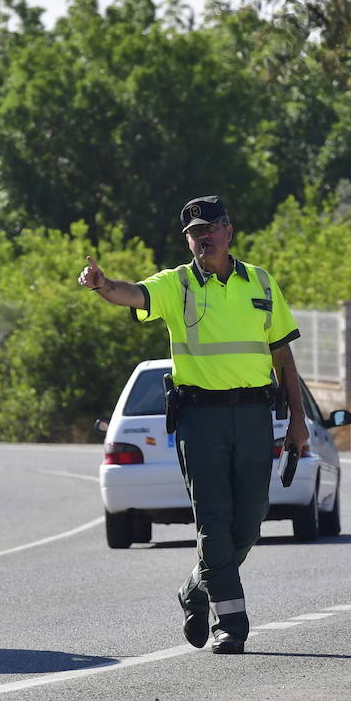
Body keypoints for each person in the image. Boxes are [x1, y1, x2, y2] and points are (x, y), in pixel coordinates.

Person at [78, 195, 309, 654]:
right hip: (200, 419)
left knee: (249, 522)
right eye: (193, 232)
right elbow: (133, 293)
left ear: (228, 230)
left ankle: (195, 590)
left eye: (209, 228)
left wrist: (298, 421)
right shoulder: (177, 284)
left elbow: (282, 355)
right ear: (187, 240)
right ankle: (232, 620)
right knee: (214, 520)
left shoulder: (261, 282)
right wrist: (103, 285)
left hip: (253, 415)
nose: (202, 237)